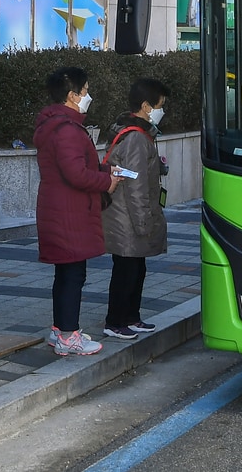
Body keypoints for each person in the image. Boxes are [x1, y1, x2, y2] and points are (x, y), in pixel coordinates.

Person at [34, 67, 122, 356]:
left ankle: (61, 329)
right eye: (85, 91)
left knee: (67, 274)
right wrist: (106, 182)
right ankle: (68, 335)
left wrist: (106, 171)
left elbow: (76, 167)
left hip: (62, 209)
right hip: (69, 212)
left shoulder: (56, 125)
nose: (88, 96)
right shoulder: (67, 130)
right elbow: (76, 173)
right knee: (72, 275)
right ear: (72, 96)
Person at [101, 78, 171, 340]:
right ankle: (115, 321)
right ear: (145, 106)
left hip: (128, 216)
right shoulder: (136, 139)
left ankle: (131, 317)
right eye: (159, 106)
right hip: (127, 218)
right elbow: (136, 186)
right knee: (126, 271)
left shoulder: (138, 133)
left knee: (136, 269)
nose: (162, 111)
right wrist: (144, 223)